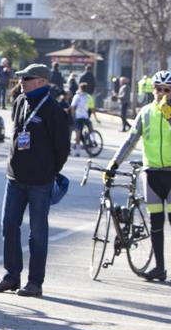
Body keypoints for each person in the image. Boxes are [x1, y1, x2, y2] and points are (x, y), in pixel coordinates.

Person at [0, 64, 70, 298]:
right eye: (21, 77)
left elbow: (62, 148)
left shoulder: (53, 110)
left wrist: (49, 171)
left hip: (40, 181)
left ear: (42, 81)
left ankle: (35, 283)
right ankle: (11, 276)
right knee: (9, 225)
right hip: (14, 177)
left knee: (38, 232)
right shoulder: (20, 102)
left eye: (27, 78)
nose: (21, 81)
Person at [106, 71, 171, 282]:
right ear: (153, 90)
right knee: (156, 223)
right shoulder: (144, 112)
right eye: (158, 89)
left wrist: (169, 115)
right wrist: (113, 164)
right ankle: (159, 267)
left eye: (166, 90)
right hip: (151, 174)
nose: (162, 94)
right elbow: (130, 141)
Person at [70, 83, 92, 157]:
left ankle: (77, 151)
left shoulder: (77, 96)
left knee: (78, 134)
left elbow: (72, 107)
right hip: (85, 116)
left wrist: (73, 116)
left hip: (78, 116)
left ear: (80, 88)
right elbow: (90, 107)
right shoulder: (88, 96)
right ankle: (92, 141)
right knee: (90, 129)